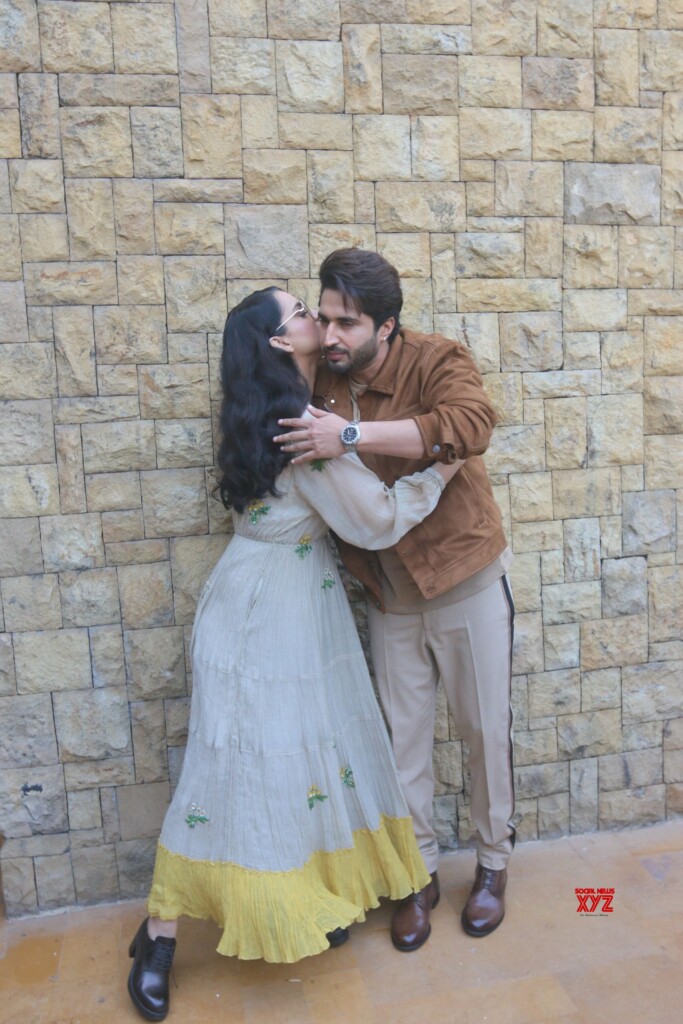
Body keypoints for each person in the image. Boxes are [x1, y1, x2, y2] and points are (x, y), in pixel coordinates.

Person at [127, 287, 459, 1021]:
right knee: (229, 767)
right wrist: (440, 471)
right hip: (268, 614)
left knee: (298, 760)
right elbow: (374, 521)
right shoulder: (303, 428)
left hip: (271, 603)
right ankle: (158, 937)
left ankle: (307, 896)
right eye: (302, 314)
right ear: (282, 342)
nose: (317, 319)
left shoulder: (272, 410)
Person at [274, 248, 515, 953]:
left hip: (464, 576)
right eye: (324, 318)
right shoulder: (321, 378)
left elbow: (471, 424)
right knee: (400, 745)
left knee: (483, 731)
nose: (332, 334)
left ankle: (493, 862)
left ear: (386, 327)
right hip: (387, 593)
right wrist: (285, 346)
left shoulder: (436, 358)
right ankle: (418, 875)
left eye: (347, 322)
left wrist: (349, 435)